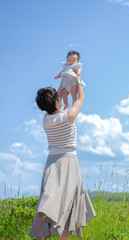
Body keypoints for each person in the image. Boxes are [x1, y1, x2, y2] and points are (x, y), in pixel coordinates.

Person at [29, 80, 95, 240]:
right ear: (57, 101)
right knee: (67, 202)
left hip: (51, 162)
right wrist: (78, 80)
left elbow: (57, 97)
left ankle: (40, 236)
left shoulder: (46, 120)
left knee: (46, 201)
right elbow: (81, 98)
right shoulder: (68, 116)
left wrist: (64, 80)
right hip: (68, 162)